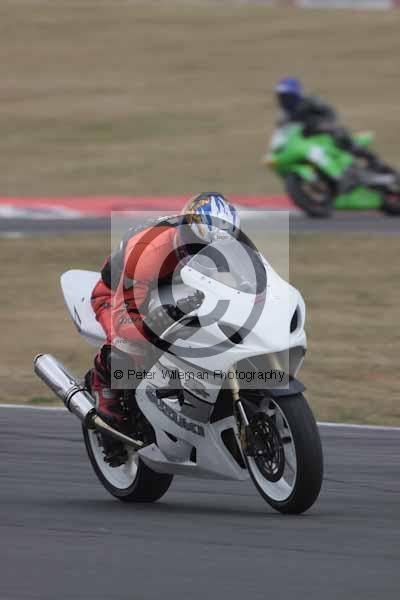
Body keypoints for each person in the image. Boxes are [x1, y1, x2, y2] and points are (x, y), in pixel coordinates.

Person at [90, 193, 240, 429]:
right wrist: (152, 325)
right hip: (115, 295)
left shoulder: (224, 243)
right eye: (200, 247)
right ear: (184, 233)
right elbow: (124, 318)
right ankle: (103, 387)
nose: (206, 255)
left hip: (176, 288)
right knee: (128, 345)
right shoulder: (149, 251)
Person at [275, 77, 381, 168]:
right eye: (282, 97)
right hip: (304, 138)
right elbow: (282, 132)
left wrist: (325, 124)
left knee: (340, 137)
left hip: (322, 129)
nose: (284, 100)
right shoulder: (283, 115)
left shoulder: (310, 100)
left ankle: (372, 159)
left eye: (287, 96)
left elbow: (330, 113)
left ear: (296, 94)